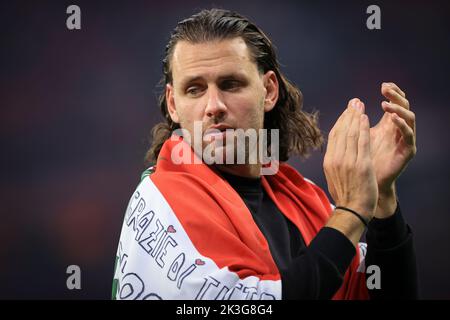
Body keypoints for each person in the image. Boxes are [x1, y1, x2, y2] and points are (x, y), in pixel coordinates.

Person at [112, 8, 417, 300]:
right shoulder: (160, 203)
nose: (214, 105)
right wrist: (351, 213)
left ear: (269, 90)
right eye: (195, 89)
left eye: (231, 84)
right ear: (173, 103)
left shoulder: (304, 200)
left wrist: (382, 203)